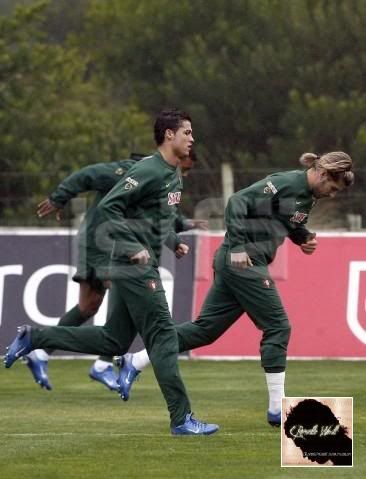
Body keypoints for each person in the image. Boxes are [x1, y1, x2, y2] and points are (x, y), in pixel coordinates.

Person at [4, 108, 219, 436]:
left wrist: (173, 239)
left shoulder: (173, 174)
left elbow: (155, 218)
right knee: (162, 337)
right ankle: (181, 419)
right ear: (168, 135)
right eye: (187, 132)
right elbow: (109, 206)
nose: (193, 138)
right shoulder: (148, 169)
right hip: (131, 264)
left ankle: (35, 337)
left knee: (114, 339)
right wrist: (133, 247)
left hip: (135, 264)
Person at [115, 151, 354, 426]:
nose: (332, 194)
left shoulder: (308, 195)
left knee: (205, 330)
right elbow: (238, 201)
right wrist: (239, 246)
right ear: (323, 174)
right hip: (242, 261)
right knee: (278, 326)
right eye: (333, 188)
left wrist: (303, 238)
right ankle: (277, 408)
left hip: (241, 262)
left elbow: (289, 222)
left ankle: (135, 360)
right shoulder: (287, 182)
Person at [24, 148, 207, 392]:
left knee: (88, 306)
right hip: (100, 245)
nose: (183, 174)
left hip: (115, 246)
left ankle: (47, 353)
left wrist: (178, 234)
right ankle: (95, 361)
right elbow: (88, 174)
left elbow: (156, 216)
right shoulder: (129, 171)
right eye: (184, 168)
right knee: (126, 292)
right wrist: (59, 197)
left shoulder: (161, 179)